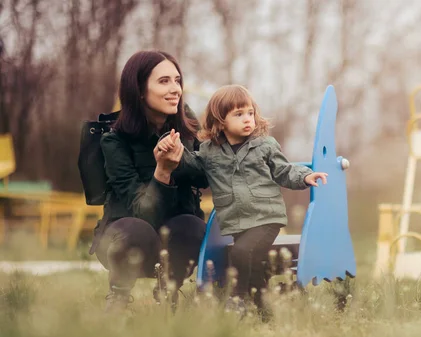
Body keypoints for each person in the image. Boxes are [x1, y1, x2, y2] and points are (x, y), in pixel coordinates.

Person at [157, 84, 327, 319]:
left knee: (241, 253)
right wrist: (173, 148)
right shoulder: (209, 151)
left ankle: (237, 299)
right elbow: (191, 166)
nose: (248, 119)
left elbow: (284, 170)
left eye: (250, 113)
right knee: (254, 265)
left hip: (266, 217)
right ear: (220, 121)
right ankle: (266, 308)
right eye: (239, 114)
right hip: (235, 221)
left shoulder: (265, 145)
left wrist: (305, 176)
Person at [91, 50, 209, 312]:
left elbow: (206, 176)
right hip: (124, 237)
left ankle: (169, 291)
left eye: (177, 80)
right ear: (140, 90)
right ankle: (118, 296)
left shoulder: (187, 129)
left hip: (173, 236)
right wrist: (162, 171)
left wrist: (184, 159)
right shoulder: (114, 140)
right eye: (164, 81)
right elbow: (142, 213)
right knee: (137, 230)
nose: (175, 89)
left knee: (193, 226)